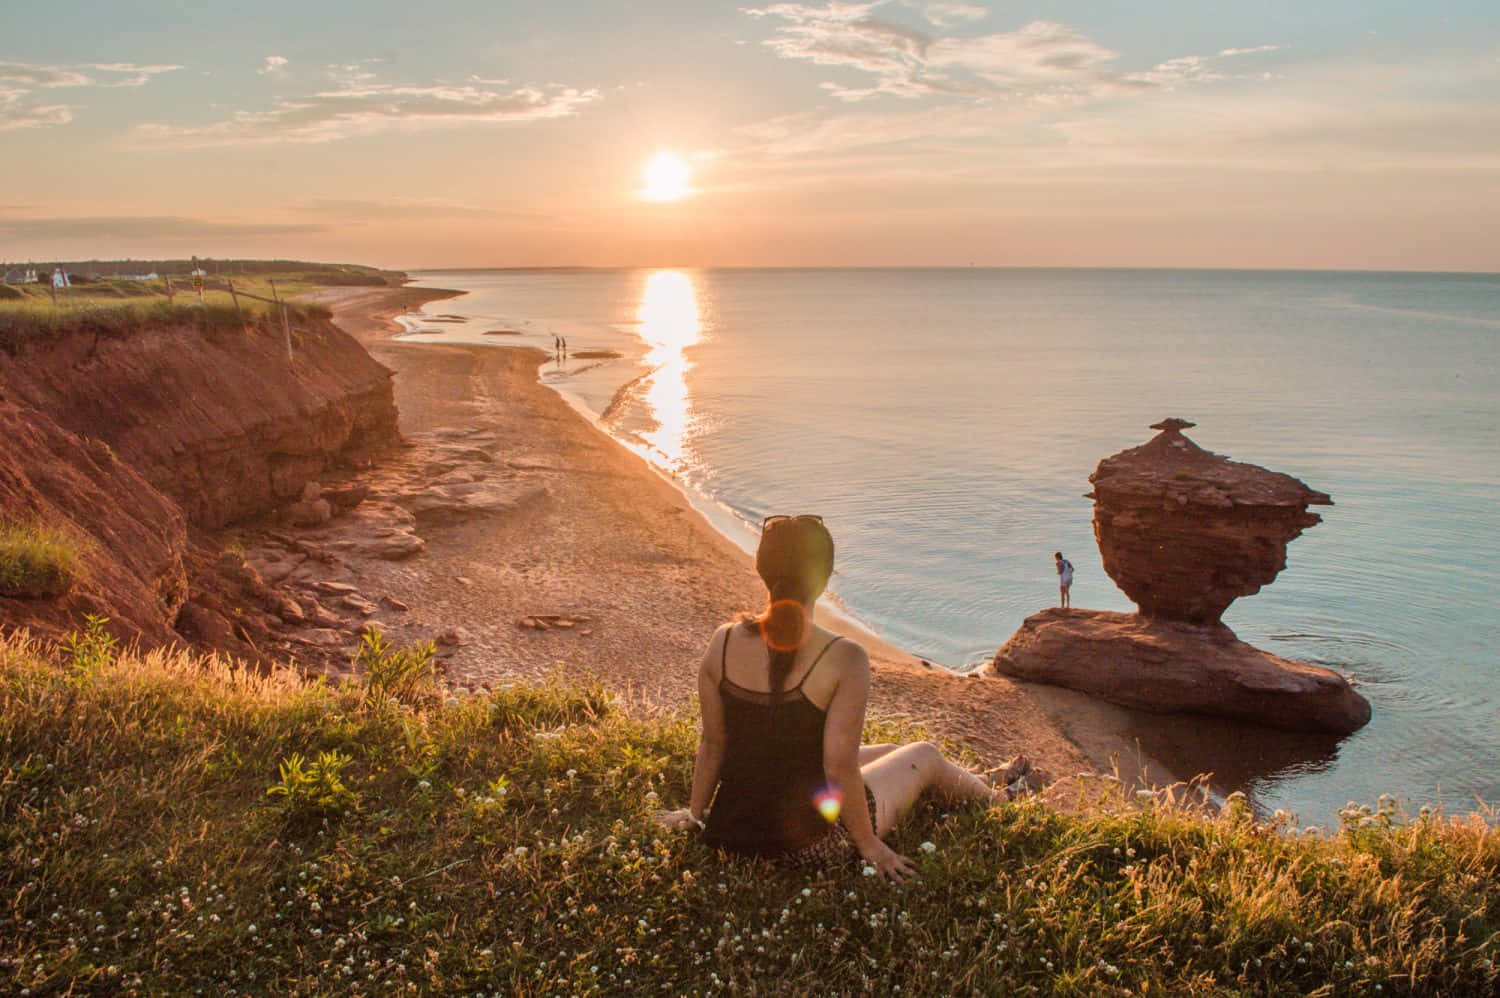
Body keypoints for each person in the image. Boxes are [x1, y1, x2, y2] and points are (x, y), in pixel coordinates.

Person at [656, 514, 1041, 882]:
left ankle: (984, 779)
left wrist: (695, 813)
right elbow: (837, 767)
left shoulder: (722, 641)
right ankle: (1002, 802)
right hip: (810, 843)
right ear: (823, 579)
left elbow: (714, 742)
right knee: (924, 755)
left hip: (733, 830)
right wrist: (871, 846)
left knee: (891, 748)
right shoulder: (844, 656)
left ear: (762, 569)